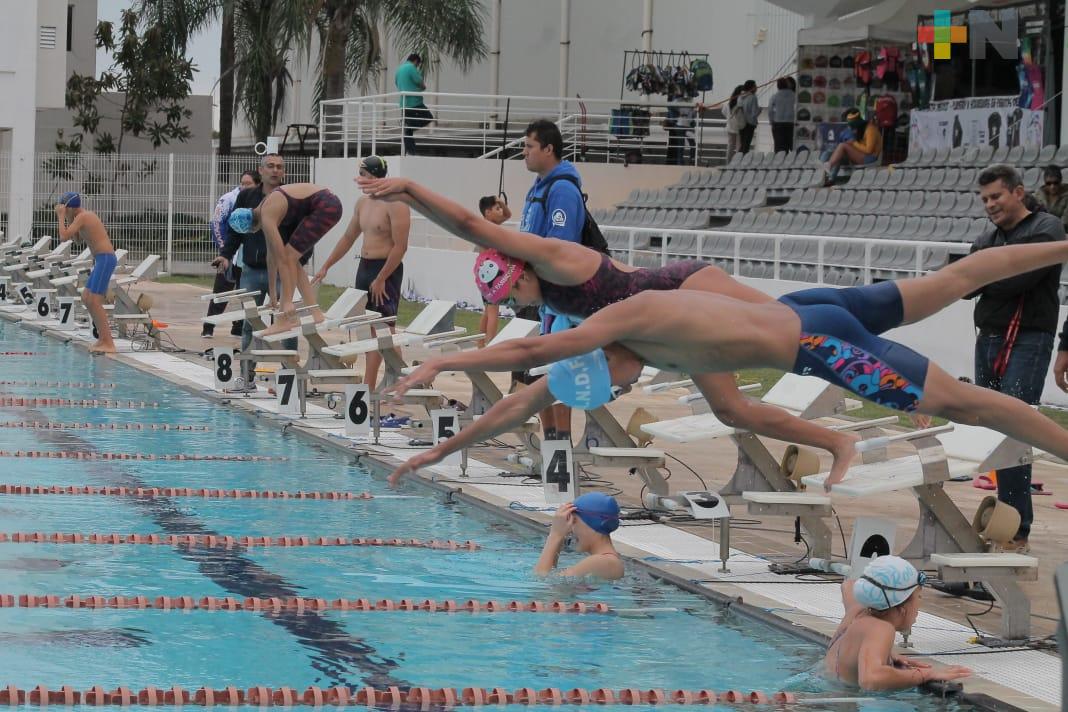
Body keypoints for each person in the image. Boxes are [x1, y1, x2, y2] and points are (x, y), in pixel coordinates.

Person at [387, 239, 1068, 491]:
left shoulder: (636, 325)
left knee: (964, 403)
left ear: (610, 362)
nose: (620, 389)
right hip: (809, 306)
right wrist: (440, 453)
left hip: (823, 349)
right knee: (950, 281)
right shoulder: (649, 328)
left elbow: (529, 356)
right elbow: (521, 400)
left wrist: (441, 358)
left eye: (610, 385)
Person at [968, 164, 1064, 554]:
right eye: (985, 199)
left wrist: (981, 273)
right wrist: (985, 274)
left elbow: (1016, 279)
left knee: (1014, 430)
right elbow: (962, 282)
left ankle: (1017, 528)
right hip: (989, 338)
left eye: (997, 197)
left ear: (1019, 192)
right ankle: (1005, 521)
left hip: (1027, 340)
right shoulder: (990, 235)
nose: (990, 205)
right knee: (991, 432)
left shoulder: (1047, 229)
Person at [517, 119, 590, 446]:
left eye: (529, 146)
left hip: (559, 299)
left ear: (549, 149)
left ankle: (560, 448)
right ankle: (551, 449)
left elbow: (561, 249)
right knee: (542, 374)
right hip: (541, 296)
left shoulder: (561, 189)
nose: (524, 152)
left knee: (559, 377)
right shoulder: (539, 186)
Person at [312, 156, 409, 389]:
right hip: (364, 269)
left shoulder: (396, 204)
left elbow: (400, 247)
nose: (359, 180)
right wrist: (326, 266)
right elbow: (348, 237)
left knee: (385, 330)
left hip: (386, 270)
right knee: (369, 331)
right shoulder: (362, 203)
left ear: (373, 176)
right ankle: (383, 381)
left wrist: (382, 277)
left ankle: (394, 381)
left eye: (363, 175)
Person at [212, 154, 297, 391]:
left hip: (283, 271)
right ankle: (247, 378)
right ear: (261, 171)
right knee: (250, 323)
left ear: (284, 172)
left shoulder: (290, 197)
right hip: (251, 267)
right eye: (270, 166)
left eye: (279, 167)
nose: (275, 170)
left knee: (288, 322)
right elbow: (235, 230)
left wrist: (298, 261)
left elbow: (301, 234)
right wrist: (226, 255)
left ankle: (288, 379)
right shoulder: (247, 196)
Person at [825, 556, 970, 690]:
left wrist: (880, 652)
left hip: (825, 688)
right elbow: (871, 679)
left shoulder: (857, 610)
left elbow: (849, 585)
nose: (920, 604)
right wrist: (926, 674)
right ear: (902, 607)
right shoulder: (881, 628)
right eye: (918, 596)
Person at [227, 183, 343, 337]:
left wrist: (287, 302)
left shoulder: (267, 214)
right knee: (292, 259)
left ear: (251, 229)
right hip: (326, 204)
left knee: (289, 258)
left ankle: (283, 321)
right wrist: (273, 296)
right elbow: (271, 258)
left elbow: (281, 259)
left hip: (326, 206)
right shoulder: (263, 209)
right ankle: (316, 313)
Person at [54, 192, 117, 354]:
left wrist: (61, 217)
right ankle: (103, 339)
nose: (61, 210)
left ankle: (108, 342)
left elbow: (63, 237)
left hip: (105, 259)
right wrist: (68, 217)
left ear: (69, 208)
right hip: (101, 260)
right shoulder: (80, 217)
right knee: (87, 298)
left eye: (64, 208)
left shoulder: (84, 216)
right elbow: (77, 240)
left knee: (94, 300)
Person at [203, 170, 260, 338]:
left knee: (247, 293)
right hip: (231, 254)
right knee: (221, 290)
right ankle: (208, 326)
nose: (243, 187)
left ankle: (239, 327)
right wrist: (224, 251)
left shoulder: (262, 200)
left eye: (248, 184)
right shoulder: (229, 198)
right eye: (242, 183)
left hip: (249, 255)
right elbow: (217, 223)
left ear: (257, 184)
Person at [533, 493, 624, 580]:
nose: (570, 529)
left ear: (594, 524)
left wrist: (555, 534)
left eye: (574, 521)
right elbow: (551, 576)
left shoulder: (601, 562)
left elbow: (541, 581)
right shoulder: (607, 561)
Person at [476, 194, 512, 346]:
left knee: (488, 311)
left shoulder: (490, 226)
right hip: (490, 275)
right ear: (487, 213)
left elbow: (508, 214)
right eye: (497, 209)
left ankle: (480, 345)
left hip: (488, 274)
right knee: (493, 312)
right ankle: (490, 346)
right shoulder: (485, 228)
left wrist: (500, 203)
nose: (500, 211)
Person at [822, 108, 882, 186]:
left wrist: (853, 143)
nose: (852, 129)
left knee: (842, 146)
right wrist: (852, 144)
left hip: (870, 158)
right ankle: (831, 178)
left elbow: (869, 150)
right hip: (861, 154)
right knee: (836, 154)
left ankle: (829, 165)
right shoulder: (861, 128)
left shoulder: (870, 129)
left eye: (853, 126)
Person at [395, 53, 432, 155]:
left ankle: (411, 152)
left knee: (408, 132)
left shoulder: (399, 69)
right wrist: (423, 87)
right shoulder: (411, 67)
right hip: (414, 102)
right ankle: (410, 125)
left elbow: (397, 84)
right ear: (416, 61)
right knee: (428, 117)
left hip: (403, 103)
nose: (417, 66)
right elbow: (419, 81)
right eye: (418, 64)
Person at [768, 77, 796, 154]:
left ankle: (781, 164)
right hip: (791, 124)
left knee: (780, 149)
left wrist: (771, 121)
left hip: (778, 124)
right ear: (788, 85)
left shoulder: (774, 96)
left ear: (778, 86)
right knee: (793, 147)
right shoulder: (795, 96)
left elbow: (770, 110)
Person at [737, 79, 761, 154]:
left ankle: (738, 160)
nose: (756, 88)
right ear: (751, 87)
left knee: (743, 144)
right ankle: (742, 162)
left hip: (741, 123)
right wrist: (759, 110)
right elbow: (754, 113)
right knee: (746, 145)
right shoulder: (753, 97)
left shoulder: (740, 96)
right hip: (749, 124)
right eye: (755, 86)